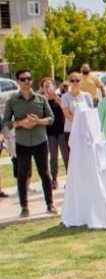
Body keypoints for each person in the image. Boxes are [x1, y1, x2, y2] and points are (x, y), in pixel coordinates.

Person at [4, 69, 55, 217]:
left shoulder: (41, 99)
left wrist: (38, 121)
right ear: (18, 81)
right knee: (22, 176)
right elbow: (6, 123)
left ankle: (50, 204)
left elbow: (51, 118)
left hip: (40, 141)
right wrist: (21, 123)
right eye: (23, 79)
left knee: (45, 174)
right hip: (22, 143)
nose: (26, 81)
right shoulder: (12, 100)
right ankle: (24, 207)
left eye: (29, 78)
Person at [40, 78, 68, 188]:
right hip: (50, 133)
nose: (48, 88)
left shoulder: (60, 98)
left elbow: (66, 110)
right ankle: (54, 179)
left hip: (62, 131)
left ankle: (70, 178)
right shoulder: (42, 101)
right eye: (45, 86)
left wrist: (56, 98)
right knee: (53, 157)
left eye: (49, 85)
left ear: (54, 86)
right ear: (42, 89)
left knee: (66, 155)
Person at [61, 72, 95, 149]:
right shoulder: (65, 97)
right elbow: (67, 115)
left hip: (85, 131)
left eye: (77, 80)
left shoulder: (87, 96)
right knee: (72, 155)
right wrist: (81, 120)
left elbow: (91, 114)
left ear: (81, 81)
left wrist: (76, 116)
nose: (75, 82)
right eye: (72, 80)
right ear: (69, 83)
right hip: (70, 131)